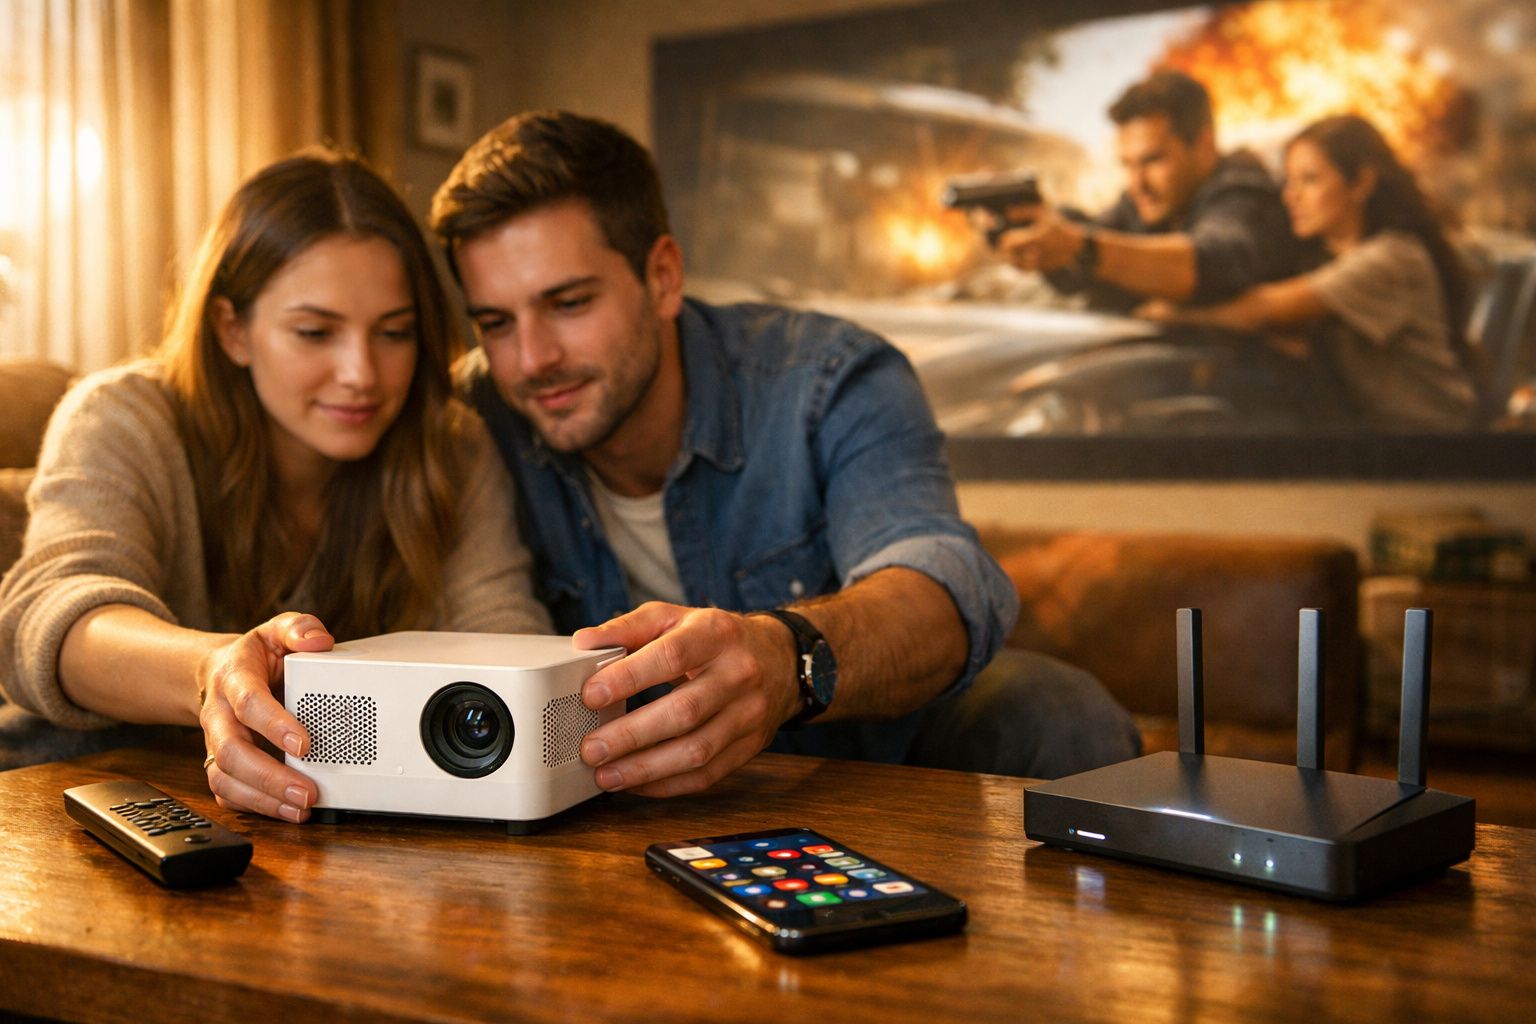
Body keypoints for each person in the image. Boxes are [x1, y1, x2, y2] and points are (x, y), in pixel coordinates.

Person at [429, 110, 1140, 798]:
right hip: (616, 787)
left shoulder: (829, 377)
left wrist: (788, 657)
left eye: (570, 303)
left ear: (664, 277)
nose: (532, 360)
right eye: (495, 323)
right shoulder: (471, 418)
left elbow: (939, 586)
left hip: (867, 754)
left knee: (1056, 709)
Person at [0, 151, 550, 819]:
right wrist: (213, 671)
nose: (362, 374)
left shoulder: (449, 442)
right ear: (233, 330)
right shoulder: (124, 415)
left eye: (395, 333)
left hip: (323, 830)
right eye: (315, 332)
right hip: (74, 802)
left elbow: (505, 637)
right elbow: (51, 618)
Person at [1137, 114, 1480, 431]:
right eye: (1289, 181)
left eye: (1310, 180)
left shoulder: (1391, 257)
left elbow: (1262, 309)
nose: (1291, 197)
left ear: (1361, 183)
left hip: (1434, 446)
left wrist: (1177, 313)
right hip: (1375, 438)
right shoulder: (1326, 258)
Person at [997, 70, 1300, 313]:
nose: (1137, 183)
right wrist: (1030, 227)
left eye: (1153, 160)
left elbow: (1214, 264)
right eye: (1128, 165)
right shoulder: (1146, 199)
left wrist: (1081, 248)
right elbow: (1091, 238)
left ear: (1204, 146)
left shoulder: (1244, 192)